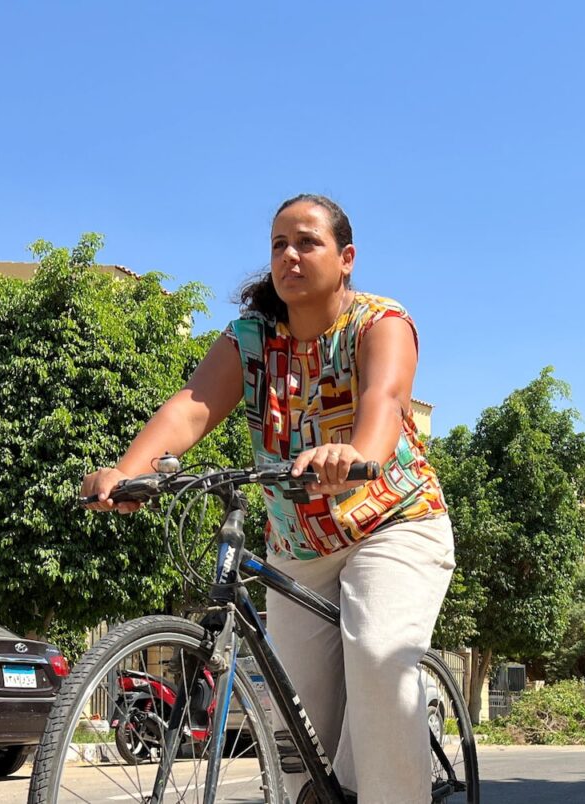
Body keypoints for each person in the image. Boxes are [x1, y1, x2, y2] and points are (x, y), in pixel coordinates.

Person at [81, 193, 455, 803]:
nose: (290, 255)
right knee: (292, 724)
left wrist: (351, 454)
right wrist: (127, 471)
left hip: (392, 526)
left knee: (381, 666)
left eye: (307, 241)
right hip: (299, 546)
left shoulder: (380, 323)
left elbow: (383, 404)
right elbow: (193, 405)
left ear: (346, 257)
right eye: (279, 244)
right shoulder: (251, 339)